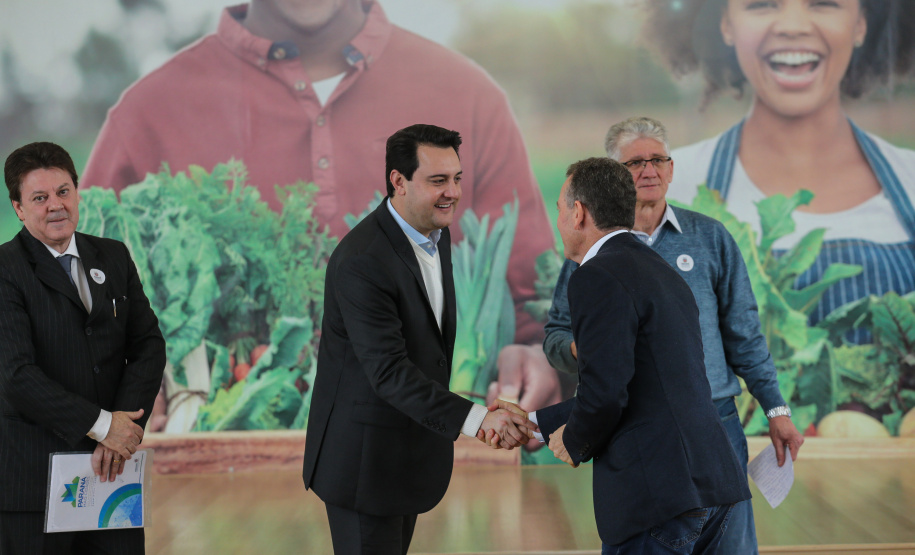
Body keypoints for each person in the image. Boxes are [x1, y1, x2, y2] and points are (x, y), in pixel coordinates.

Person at [82, 0, 557, 403]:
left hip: (431, 464)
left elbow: (537, 311)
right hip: (208, 478)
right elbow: (70, 316)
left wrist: (540, 358)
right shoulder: (147, 114)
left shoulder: (469, 97)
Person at [542, 117, 804, 554]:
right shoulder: (585, 259)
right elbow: (559, 337)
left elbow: (746, 336)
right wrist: (591, 345)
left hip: (715, 423)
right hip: (642, 427)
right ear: (613, 179)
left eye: (658, 159)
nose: (648, 170)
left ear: (671, 167)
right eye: (635, 162)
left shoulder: (709, 239)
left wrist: (775, 406)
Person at [302, 124, 537, 555]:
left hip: (404, 458)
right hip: (364, 466)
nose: (453, 192)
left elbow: (426, 351)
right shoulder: (362, 261)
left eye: (457, 178)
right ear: (398, 181)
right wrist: (478, 419)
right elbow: (389, 372)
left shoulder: (435, 234)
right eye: (438, 181)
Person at [643, 0, 915, 342]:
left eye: (824, 3)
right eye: (762, 4)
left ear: (861, 23)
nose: (793, 25)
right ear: (725, 24)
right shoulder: (660, 193)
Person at [0, 142, 166, 553]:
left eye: (63, 191)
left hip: (112, 478)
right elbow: (16, 375)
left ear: (77, 192)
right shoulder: (6, 269)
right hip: (33, 482)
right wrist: (104, 427)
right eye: (39, 198)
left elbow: (147, 344)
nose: (55, 205)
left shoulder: (113, 255)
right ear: (19, 208)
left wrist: (123, 429)